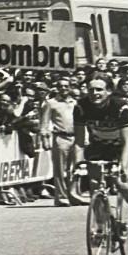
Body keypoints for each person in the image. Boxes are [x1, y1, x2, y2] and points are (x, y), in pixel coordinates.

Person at [74, 74, 128, 235]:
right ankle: (102, 225)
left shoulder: (120, 108)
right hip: (99, 145)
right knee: (94, 185)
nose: (94, 93)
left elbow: (127, 142)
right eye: (91, 89)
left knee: (120, 182)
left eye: (99, 89)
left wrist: (123, 167)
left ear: (109, 91)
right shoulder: (81, 107)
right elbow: (78, 141)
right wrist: (77, 164)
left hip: (123, 146)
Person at [40, 77, 81, 206]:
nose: (63, 89)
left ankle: (73, 194)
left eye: (66, 86)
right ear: (57, 88)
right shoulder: (51, 103)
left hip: (75, 137)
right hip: (60, 137)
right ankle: (61, 197)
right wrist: (44, 138)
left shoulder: (74, 102)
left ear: (70, 88)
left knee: (75, 169)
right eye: (61, 86)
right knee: (60, 169)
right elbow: (44, 122)